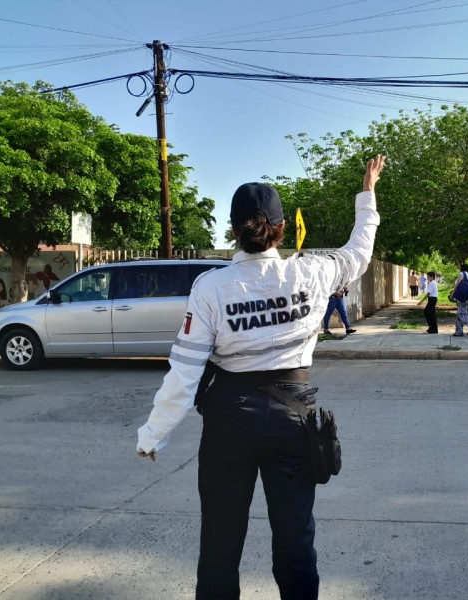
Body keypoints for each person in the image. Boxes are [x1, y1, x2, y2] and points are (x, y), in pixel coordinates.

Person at [136, 155, 386, 600]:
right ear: (281, 228)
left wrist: (154, 432)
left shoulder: (211, 286)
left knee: (219, 541)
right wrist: (366, 192)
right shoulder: (313, 271)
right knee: (295, 540)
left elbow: (186, 369)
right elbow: (360, 251)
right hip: (293, 422)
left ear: (234, 230)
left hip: (229, 424)